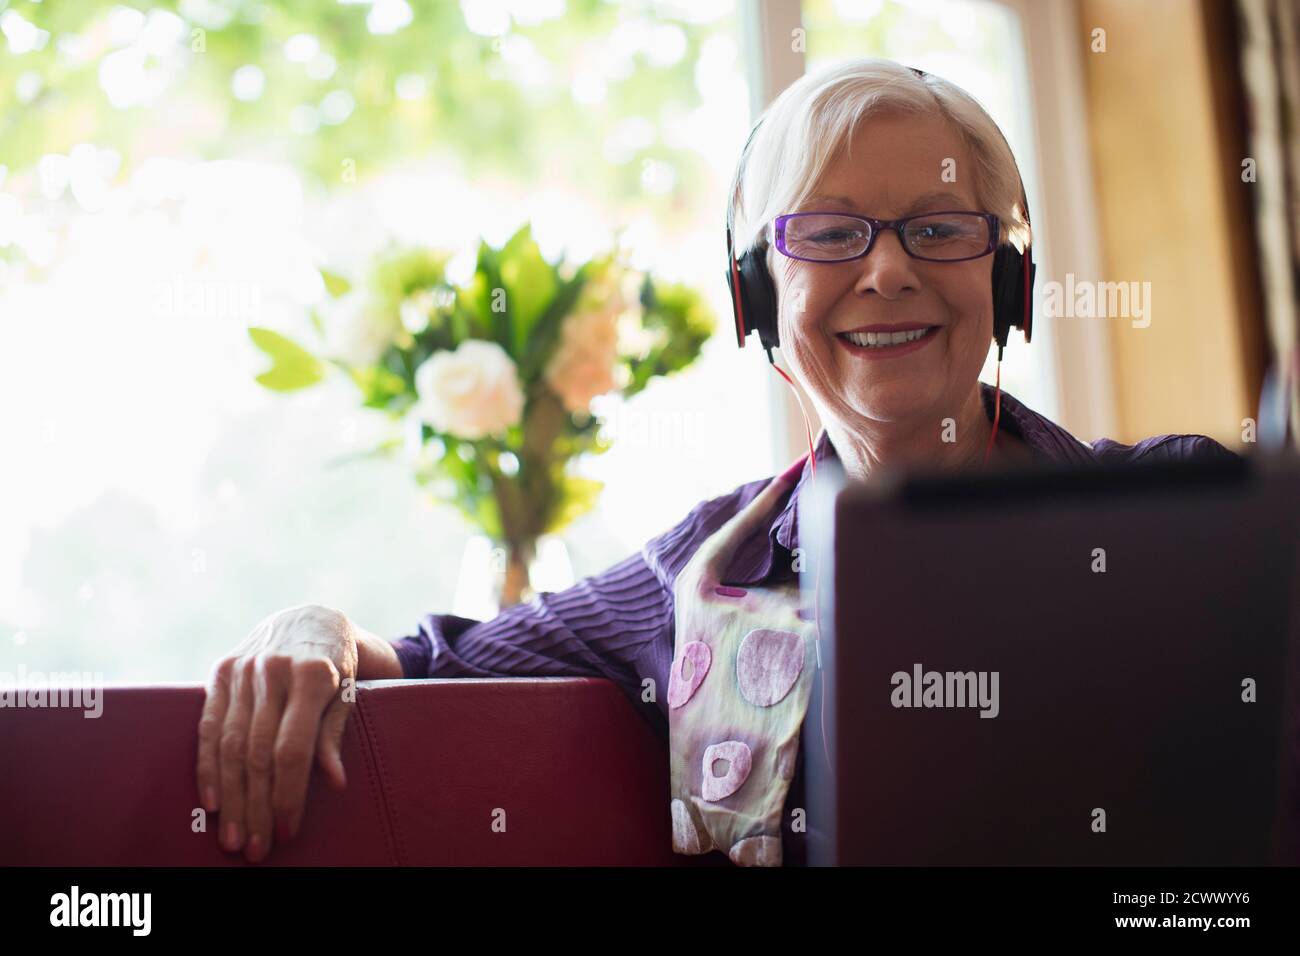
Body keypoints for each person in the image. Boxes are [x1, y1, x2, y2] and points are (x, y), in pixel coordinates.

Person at [195, 57, 1237, 865]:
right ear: (756, 299)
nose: (886, 270)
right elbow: (435, 669)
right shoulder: (702, 573)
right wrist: (314, 626)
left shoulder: (1186, 506)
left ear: (1009, 281)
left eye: (937, 226)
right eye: (827, 235)